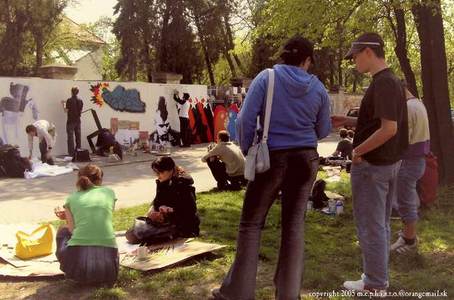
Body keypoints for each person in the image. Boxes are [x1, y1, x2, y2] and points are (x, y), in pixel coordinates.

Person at [212, 35, 331, 300]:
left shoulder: (266, 78)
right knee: (294, 226)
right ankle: (289, 294)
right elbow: (323, 130)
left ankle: (237, 293)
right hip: (305, 160)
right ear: (307, 60)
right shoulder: (318, 88)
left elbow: (244, 120)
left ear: (283, 56)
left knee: (251, 225)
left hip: (272, 157)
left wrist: (247, 151)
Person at [331, 32, 408, 292]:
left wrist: (358, 151)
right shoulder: (392, 80)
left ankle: (375, 283)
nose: (354, 62)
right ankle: (378, 278)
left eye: (354, 56)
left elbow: (389, 129)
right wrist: (349, 121)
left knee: (371, 226)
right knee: (381, 224)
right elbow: (379, 122)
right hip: (387, 165)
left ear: (367, 51)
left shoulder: (383, 82)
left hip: (373, 167)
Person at [54, 164, 118, 285]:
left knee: (63, 229)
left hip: (78, 272)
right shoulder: (109, 193)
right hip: (109, 271)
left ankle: (70, 267)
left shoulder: (71, 198)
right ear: (100, 179)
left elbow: (73, 230)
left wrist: (69, 216)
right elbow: (103, 216)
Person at [391, 81, 430, 253]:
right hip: (418, 160)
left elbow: (399, 139)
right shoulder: (418, 103)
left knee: (405, 203)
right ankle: (407, 234)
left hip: (409, 161)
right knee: (407, 201)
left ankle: (409, 241)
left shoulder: (407, 108)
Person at [126, 156, 200, 244]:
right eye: (156, 172)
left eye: (160, 172)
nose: (157, 175)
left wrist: (169, 212)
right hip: (167, 222)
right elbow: (157, 201)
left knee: (134, 236)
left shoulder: (183, 185)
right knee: (131, 233)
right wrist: (153, 210)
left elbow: (190, 212)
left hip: (182, 226)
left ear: (170, 170)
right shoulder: (164, 181)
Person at [61, 87, 83, 156]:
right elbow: (81, 111)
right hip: (78, 121)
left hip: (70, 121)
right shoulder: (80, 100)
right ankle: (78, 151)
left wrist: (63, 104)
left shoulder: (69, 100)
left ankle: (71, 153)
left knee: (70, 137)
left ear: (71, 92)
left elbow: (66, 110)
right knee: (78, 136)